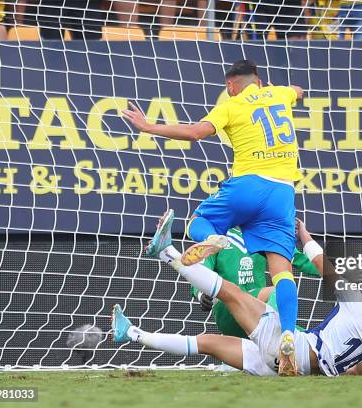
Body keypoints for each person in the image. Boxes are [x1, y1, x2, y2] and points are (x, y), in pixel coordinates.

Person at [122, 59, 304, 376]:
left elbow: (194, 133)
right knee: (281, 272)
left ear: (231, 85)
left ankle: (213, 240)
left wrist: (148, 127)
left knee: (197, 224)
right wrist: (292, 92)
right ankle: (288, 333)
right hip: (284, 193)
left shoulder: (231, 105)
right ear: (259, 81)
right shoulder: (281, 95)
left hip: (249, 183)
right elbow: (297, 90)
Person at [112, 210, 362, 376]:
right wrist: (330, 371)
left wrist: (304, 235)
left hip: (284, 346)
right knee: (208, 341)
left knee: (230, 293)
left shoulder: (354, 301)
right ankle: (133, 333)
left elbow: (318, 262)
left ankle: (165, 253)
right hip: (293, 367)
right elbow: (360, 370)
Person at [193, 223, 320, 339]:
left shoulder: (265, 236)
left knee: (310, 341)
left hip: (256, 312)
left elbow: (304, 261)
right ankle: (279, 334)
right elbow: (201, 268)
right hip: (227, 308)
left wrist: (335, 268)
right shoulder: (215, 236)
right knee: (281, 288)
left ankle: (285, 341)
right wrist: (201, 293)